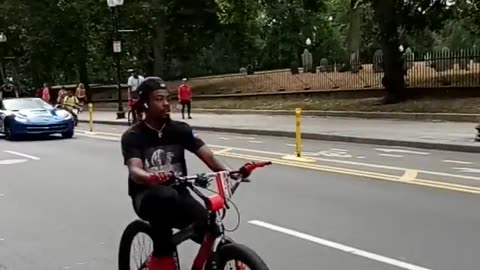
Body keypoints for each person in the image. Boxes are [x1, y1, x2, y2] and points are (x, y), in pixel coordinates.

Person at [121, 77, 238, 270]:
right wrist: (150, 177)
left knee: (209, 229)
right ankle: (162, 257)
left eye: (167, 98)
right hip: (147, 196)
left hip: (179, 195)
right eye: (159, 99)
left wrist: (230, 172)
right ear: (145, 104)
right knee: (164, 198)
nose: (166, 104)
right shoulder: (133, 136)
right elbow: (135, 170)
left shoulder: (180, 130)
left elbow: (208, 156)